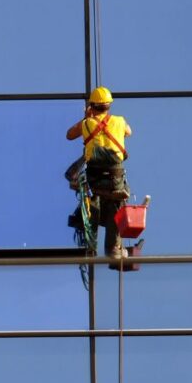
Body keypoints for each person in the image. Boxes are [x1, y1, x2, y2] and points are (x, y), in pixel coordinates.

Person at [65, 86, 133, 258]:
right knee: (116, 204)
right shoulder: (119, 121)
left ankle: (90, 245)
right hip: (115, 179)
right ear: (109, 105)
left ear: (92, 106)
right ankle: (113, 249)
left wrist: (88, 117)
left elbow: (69, 135)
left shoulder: (86, 124)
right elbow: (129, 132)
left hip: (94, 179)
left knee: (93, 203)